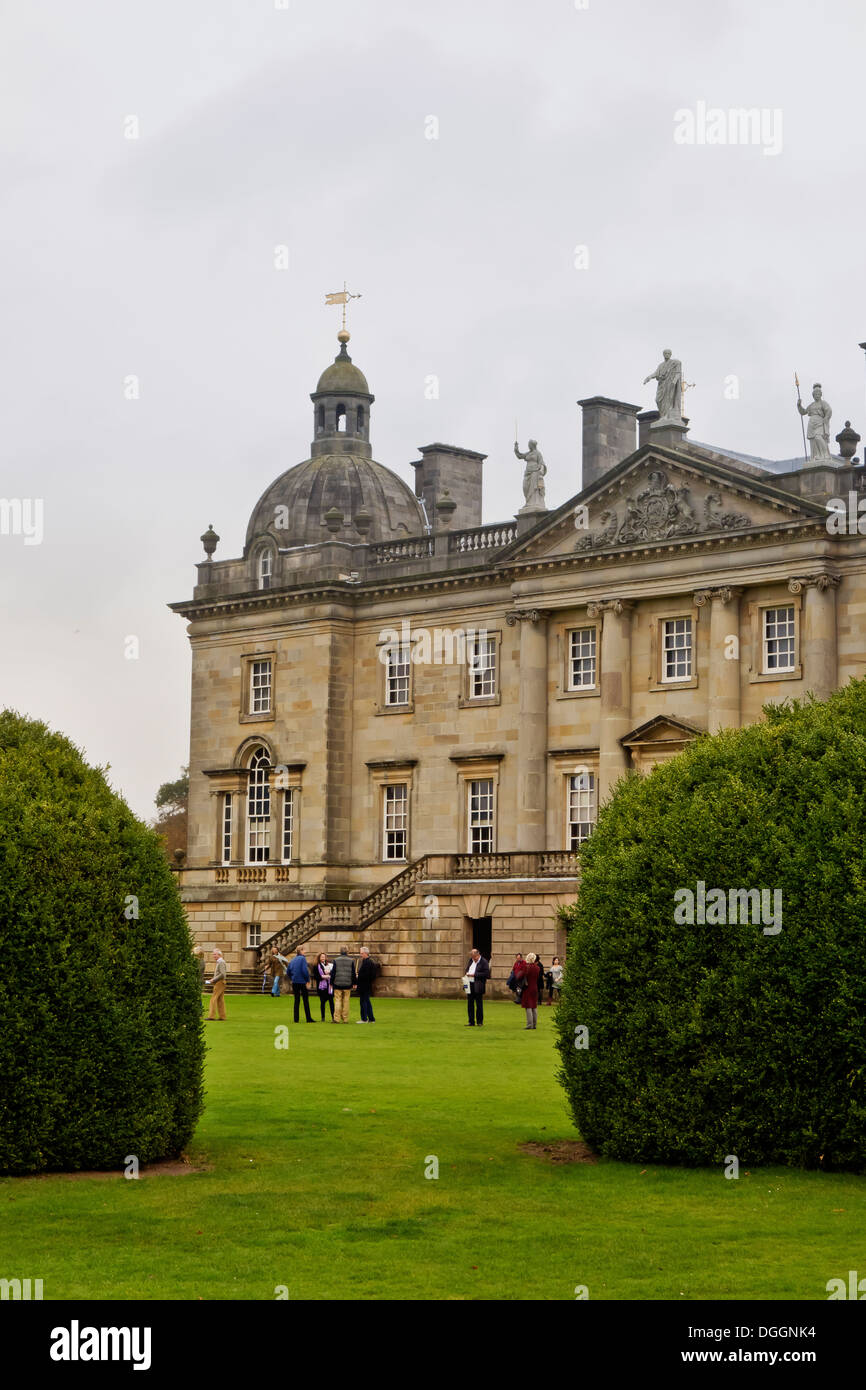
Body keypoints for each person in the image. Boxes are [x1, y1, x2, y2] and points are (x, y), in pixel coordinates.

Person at [464, 946, 490, 1027]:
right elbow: (467, 969)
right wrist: (467, 974)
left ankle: (479, 1022)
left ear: (478, 955)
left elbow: (487, 974)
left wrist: (475, 975)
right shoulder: (470, 961)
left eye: (474, 957)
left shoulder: (484, 962)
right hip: (470, 984)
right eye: (472, 957)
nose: (473, 959)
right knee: (470, 1004)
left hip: (478, 985)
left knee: (479, 1004)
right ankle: (471, 1021)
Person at [287, 947, 314, 1022]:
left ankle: (296, 1019)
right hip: (302, 982)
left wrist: (292, 978)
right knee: (305, 1000)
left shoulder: (293, 959)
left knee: (296, 1000)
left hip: (295, 982)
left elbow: (288, 971)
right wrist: (307, 980)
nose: (305, 951)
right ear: (301, 951)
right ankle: (308, 1018)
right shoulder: (302, 959)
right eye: (304, 950)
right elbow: (304, 970)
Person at [331, 947, 356, 1022]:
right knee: (346, 1001)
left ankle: (336, 1018)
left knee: (337, 1001)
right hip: (348, 983)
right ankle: (345, 1018)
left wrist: (331, 982)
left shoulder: (336, 960)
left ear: (340, 952)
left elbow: (333, 972)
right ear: (347, 952)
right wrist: (354, 982)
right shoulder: (351, 961)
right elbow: (353, 973)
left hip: (337, 983)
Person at [517, 952, 540, 1030]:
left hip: (527, 988)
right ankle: (534, 1024)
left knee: (528, 1006)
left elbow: (519, 976)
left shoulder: (526, 967)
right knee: (534, 1006)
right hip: (535, 988)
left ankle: (529, 1024)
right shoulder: (537, 968)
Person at [356, 946, 377, 1023]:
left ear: (365, 953)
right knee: (367, 1002)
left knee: (363, 1002)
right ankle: (371, 1019)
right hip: (366, 985)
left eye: (361, 953)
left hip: (364, 985)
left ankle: (364, 1019)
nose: (360, 955)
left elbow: (368, 975)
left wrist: (358, 976)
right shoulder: (368, 961)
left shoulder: (368, 962)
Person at [205, 949, 227, 1021]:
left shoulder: (221, 962)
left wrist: (213, 980)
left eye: (215, 954)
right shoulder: (220, 962)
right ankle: (222, 1016)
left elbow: (222, 974)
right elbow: (220, 973)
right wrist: (213, 979)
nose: (213, 956)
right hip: (220, 982)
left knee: (213, 999)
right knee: (220, 1000)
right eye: (213, 954)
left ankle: (211, 1016)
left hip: (219, 982)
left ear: (219, 955)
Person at [314, 952, 334, 1021]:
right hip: (321, 987)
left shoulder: (329, 964)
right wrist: (323, 977)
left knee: (331, 1001)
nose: (323, 958)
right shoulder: (316, 966)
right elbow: (316, 976)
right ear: (319, 958)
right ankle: (323, 1017)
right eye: (322, 957)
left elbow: (333, 972)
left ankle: (333, 1017)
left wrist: (329, 973)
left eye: (324, 957)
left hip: (329, 986)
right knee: (322, 1002)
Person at [193, 947, 206, 1012]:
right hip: (197, 980)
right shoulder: (198, 961)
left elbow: (197, 970)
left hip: (198, 981)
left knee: (197, 997)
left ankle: (199, 1011)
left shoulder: (201, 961)